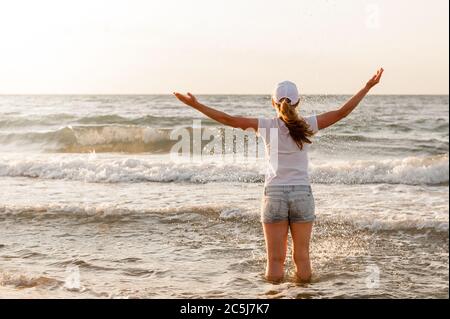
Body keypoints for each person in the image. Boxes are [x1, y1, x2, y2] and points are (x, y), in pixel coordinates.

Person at [174, 68, 384, 283]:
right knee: (302, 257)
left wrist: (196, 105)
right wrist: (367, 87)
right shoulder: (308, 124)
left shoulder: (266, 126)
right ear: (298, 101)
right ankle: (304, 296)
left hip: (274, 195)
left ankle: (273, 295)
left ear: (272, 102)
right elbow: (342, 112)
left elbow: (228, 119)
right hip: (302, 194)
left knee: (274, 260)